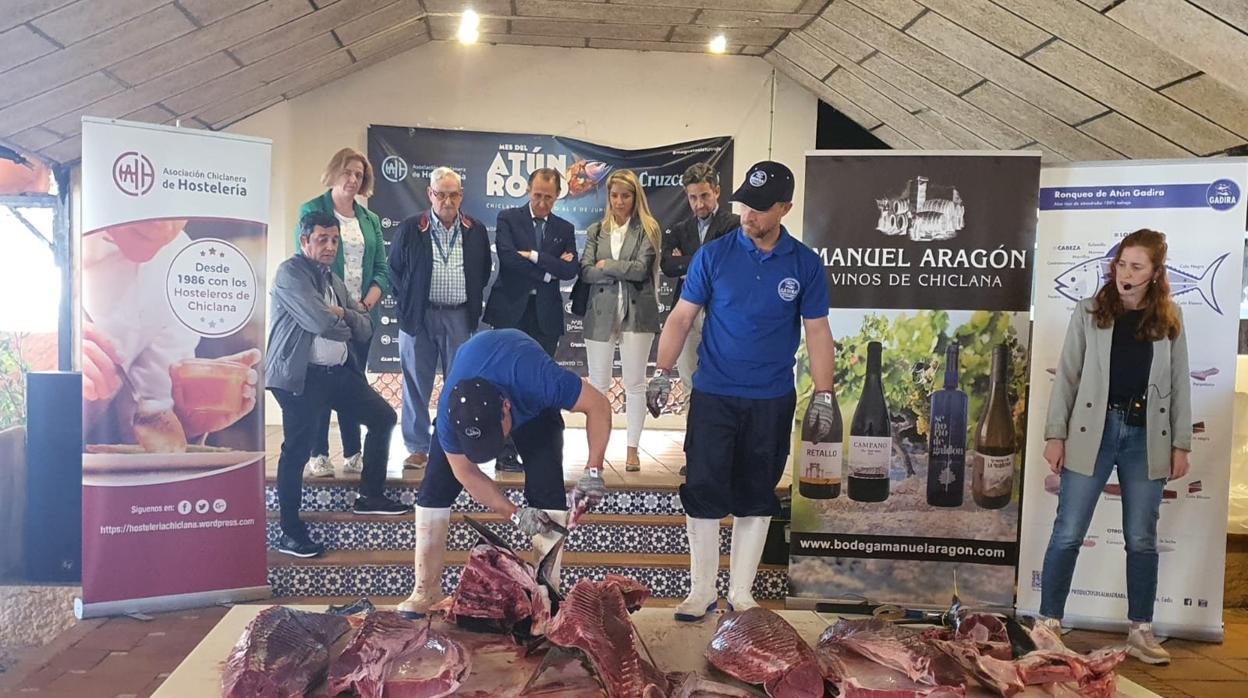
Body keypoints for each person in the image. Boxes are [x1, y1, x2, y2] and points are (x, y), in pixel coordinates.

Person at [646, 161, 837, 620]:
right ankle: (700, 591)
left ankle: (743, 593)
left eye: (759, 208)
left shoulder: (806, 265)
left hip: (771, 398)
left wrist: (825, 395)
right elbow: (681, 317)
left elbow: (817, 331)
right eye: (744, 205)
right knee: (704, 488)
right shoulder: (713, 256)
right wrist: (662, 370)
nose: (747, 215)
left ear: (785, 208)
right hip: (714, 394)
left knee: (757, 492)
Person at [1039, 229, 1191, 665]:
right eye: (1122, 263)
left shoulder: (1171, 318)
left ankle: (1140, 630)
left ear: (1155, 273)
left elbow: (1179, 383)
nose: (1126, 273)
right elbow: (1067, 375)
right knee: (1068, 530)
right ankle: (1049, 624)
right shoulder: (1089, 310)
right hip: (1094, 431)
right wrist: (1055, 434)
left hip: (1147, 436)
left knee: (1142, 538)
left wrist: (1181, 444)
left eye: (1136, 266)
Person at [397, 329, 613, 617]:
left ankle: (546, 595)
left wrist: (594, 470)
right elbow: (466, 472)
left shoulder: (541, 380)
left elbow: (598, 405)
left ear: (507, 409)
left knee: (546, 489)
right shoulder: (453, 413)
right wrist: (514, 513)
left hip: (531, 403)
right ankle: (425, 590)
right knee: (434, 488)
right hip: (481, 380)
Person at [267, 211, 412, 558]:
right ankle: (288, 530)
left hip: (335, 373)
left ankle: (370, 496)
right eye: (322, 239)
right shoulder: (291, 273)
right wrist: (342, 316)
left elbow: (365, 327)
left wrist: (343, 314)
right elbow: (319, 321)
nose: (330, 246)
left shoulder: (333, 279)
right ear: (305, 241)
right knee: (297, 451)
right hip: (300, 376)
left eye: (334, 240)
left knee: (383, 418)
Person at [82, 219, 259, 449]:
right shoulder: (35, 214)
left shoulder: (178, 263)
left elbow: (147, 427)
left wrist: (185, 424)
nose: (165, 228)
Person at [388, 167, 492, 470]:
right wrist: (409, 303)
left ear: (461, 196)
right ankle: (418, 447)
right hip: (419, 317)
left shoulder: (476, 229)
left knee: (459, 384)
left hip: (459, 316)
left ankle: (454, 443)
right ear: (430, 195)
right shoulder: (411, 228)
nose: (447, 200)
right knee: (415, 384)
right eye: (441, 194)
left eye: (453, 194)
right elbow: (395, 271)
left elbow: (483, 270)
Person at [294, 148, 389, 479]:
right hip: (323, 314)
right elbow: (304, 262)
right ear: (334, 172)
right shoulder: (313, 209)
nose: (353, 179)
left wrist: (363, 306)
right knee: (322, 383)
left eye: (359, 175)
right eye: (348, 172)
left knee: (353, 382)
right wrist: (329, 309)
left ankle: (353, 451)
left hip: (359, 316)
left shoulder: (370, 219)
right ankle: (318, 453)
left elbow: (381, 269)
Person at [659, 162, 740, 476]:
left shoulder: (734, 224)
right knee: (693, 384)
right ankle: (696, 456)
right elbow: (667, 265)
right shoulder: (680, 229)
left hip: (724, 314)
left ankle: (727, 457)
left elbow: (730, 262)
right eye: (693, 197)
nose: (699, 204)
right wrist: (707, 258)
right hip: (688, 313)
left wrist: (689, 260)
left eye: (704, 196)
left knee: (724, 385)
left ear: (717, 192)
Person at [580, 170, 661, 472]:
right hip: (600, 313)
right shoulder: (595, 230)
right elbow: (586, 271)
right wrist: (617, 269)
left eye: (625, 196)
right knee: (598, 386)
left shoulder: (648, 229)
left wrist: (608, 265)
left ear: (635, 196)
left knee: (635, 384)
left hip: (637, 313)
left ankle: (632, 450)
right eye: (614, 195)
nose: (619, 201)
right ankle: (597, 453)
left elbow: (641, 270)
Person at [483, 168, 579, 357]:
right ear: (528, 190)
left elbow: (569, 270)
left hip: (546, 314)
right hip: (510, 307)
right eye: (537, 195)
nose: (542, 203)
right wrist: (548, 273)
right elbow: (509, 258)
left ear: (558, 195)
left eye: (549, 197)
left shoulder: (565, 229)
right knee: (504, 370)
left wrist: (535, 256)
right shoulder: (508, 218)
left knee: (540, 374)